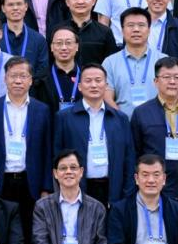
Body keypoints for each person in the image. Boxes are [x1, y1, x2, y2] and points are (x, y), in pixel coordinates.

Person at [0, 58, 53, 238]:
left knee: (29, 235)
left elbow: (47, 151)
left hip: (30, 183)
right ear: (5, 79)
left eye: (23, 76)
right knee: (1, 234)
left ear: (31, 80)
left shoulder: (42, 110)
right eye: (13, 76)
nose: (18, 81)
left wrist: (46, 188)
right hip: (0, 182)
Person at [130, 57, 178, 222]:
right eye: (166, 77)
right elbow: (134, 153)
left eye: (177, 77)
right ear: (156, 81)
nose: (172, 82)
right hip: (155, 190)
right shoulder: (141, 113)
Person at [55, 64, 136, 206]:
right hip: (77, 189)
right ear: (80, 86)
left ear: (106, 85)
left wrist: (127, 194)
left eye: (98, 80)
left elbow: (129, 158)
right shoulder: (64, 118)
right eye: (88, 81)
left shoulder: (120, 119)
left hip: (113, 190)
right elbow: (56, 155)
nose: (93, 85)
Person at [101, 7, 166, 115]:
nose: (136, 29)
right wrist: (121, 119)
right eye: (130, 25)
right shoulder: (110, 62)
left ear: (149, 30)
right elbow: (107, 97)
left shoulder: (164, 60)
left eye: (141, 25)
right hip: (122, 122)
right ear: (122, 31)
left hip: (157, 122)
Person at [52, 0, 118, 68]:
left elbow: (112, 64)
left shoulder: (105, 32)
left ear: (93, 0)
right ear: (67, 2)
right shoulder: (57, 31)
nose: (80, 1)